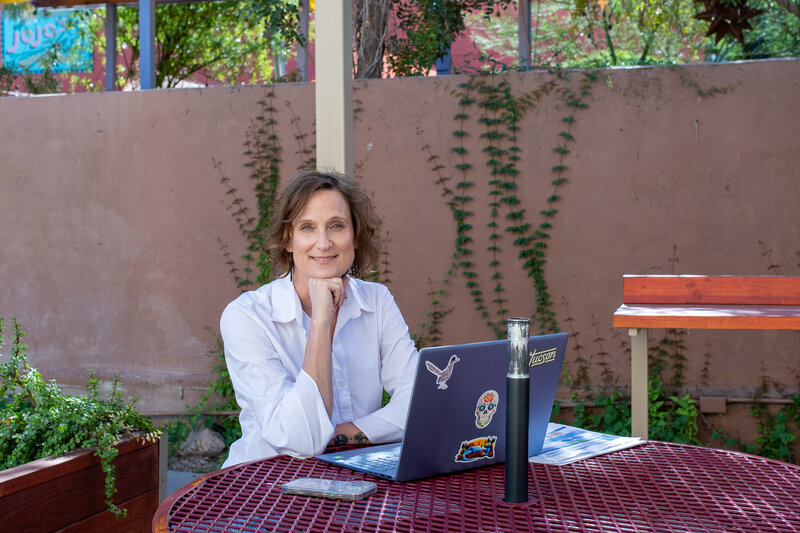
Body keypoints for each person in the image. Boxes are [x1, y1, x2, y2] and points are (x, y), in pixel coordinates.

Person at [220, 170, 419, 467]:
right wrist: (321, 321)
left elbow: (420, 401)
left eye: (336, 226)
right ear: (288, 240)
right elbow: (301, 440)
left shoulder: (377, 301)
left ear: (355, 236)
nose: (323, 243)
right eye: (307, 227)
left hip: (359, 475)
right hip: (267, 487)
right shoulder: (246, 317)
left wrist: (343, 436)